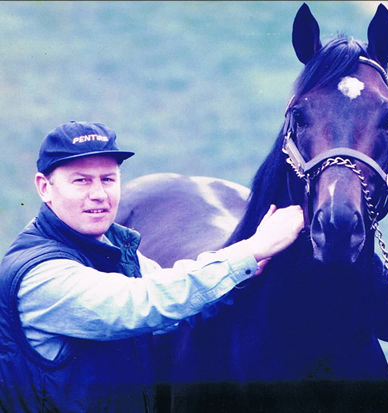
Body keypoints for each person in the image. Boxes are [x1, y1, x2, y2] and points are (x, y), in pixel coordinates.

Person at [0, 121, 304, 413]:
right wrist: (250, 250)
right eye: (81, 180)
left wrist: (246, 271)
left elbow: (180, 308)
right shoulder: (39, 274)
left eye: (108, 179)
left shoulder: (113, 248)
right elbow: (141, 302)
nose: (98, 194)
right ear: (44, 187)